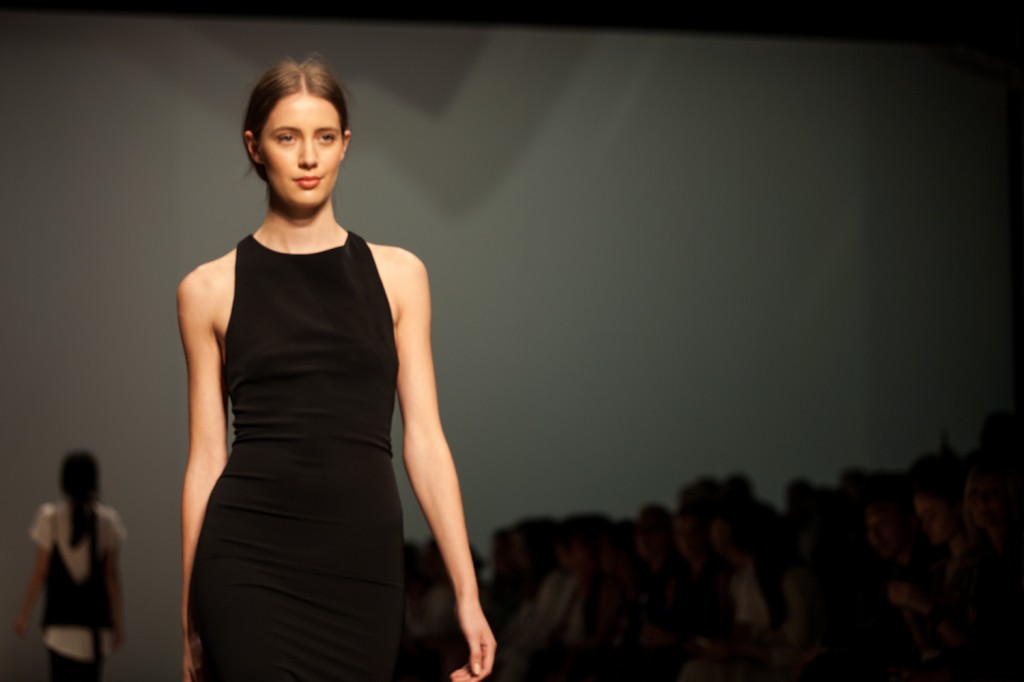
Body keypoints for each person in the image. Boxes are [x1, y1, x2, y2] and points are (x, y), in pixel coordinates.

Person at [177, 55, 495, 681]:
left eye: (324, 137)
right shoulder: (208, 289)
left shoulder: (400, 276)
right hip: (247, 559)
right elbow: (206, 458)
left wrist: (466, 591)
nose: (308, 157)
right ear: (255, 146)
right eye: (287, 137)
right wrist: (188, 615)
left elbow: (426, 439)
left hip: (361, 563)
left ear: (345, 144)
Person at [14, 450, 126, 682]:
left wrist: (24, 614)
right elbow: (111, 577)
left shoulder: (50, 518)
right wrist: (118, 623)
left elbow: (41, 572)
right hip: (95, 628)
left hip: (60, 625)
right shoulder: (108, 521)